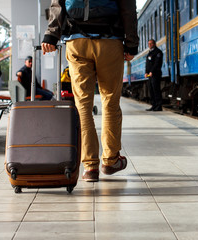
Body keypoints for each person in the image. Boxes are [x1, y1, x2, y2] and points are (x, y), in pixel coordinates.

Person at [41, 0, 139, 182]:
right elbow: (128, 8)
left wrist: (51, 36)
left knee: (83, 106)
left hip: (76, 41)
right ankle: (110, 160)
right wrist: (132, 43)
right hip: (110, 41)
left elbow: (57, 4)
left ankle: (90, 166)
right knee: (110, 101)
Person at [145, 39, 163, 111]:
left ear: (154, 44)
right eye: (149, 44)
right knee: (151, 90)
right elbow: (147, 64)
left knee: (156, 90)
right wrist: (146, 72)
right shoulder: (150, 53)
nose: (149, 45)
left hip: (155, 74)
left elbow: (157, 63)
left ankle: (159, 106)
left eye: (151, 44)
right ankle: (154, 105)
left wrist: (152, 71)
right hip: (150, 75)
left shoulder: (158, 52)